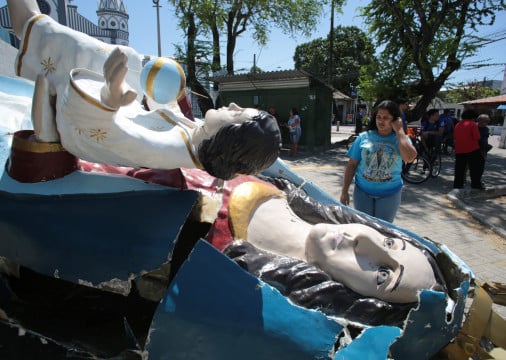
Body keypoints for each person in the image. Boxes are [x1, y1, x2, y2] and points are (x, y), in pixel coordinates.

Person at [6, 0, 281, 181]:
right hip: (118, 103)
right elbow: (165, 115)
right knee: (120, 57)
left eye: (237, 114)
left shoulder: (167, 149)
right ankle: (36, 29)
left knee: (75, 47)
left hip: (91, 116)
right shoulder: (196, 136)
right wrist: (166, 91)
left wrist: (107, 100)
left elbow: (112, 140)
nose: (232, 105)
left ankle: (33, 27)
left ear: (229, 138)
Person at [225, 181, 443, 305]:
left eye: (383, 274)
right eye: (390, 243)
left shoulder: (224, 255)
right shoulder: (285, 190)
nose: (364, 241)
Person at [340, 100, 417, 222]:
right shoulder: (363, 137)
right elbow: (351, 165)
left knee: (383, 231)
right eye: (378, 117)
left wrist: (400, 131)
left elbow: (409, 158)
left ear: (395, 120)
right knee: (364, 229)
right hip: (362, 193)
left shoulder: (402, 139)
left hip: (390, 194)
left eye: (386, 117)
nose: (381, 121)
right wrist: (344, 191)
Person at [453, 109, 483, 189]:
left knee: (459, 168)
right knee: (476, 167)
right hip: (472, 149)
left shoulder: (458, 124)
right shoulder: (473, 124)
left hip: (459, 149)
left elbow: (455, 137)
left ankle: (458, 185)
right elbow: (477, 137)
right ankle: (476, 184)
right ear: (473, 117)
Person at [476, 114, 492, 183]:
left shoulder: (486, 129)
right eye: (484, 121)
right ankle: (463, 178)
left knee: (480, 166)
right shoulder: (473, 127)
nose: (485, 123)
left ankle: (478, 180)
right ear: (479, 121)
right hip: (472, 148)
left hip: (482, 149)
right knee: (467, 165)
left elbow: (485, 139)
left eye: (487, 122)